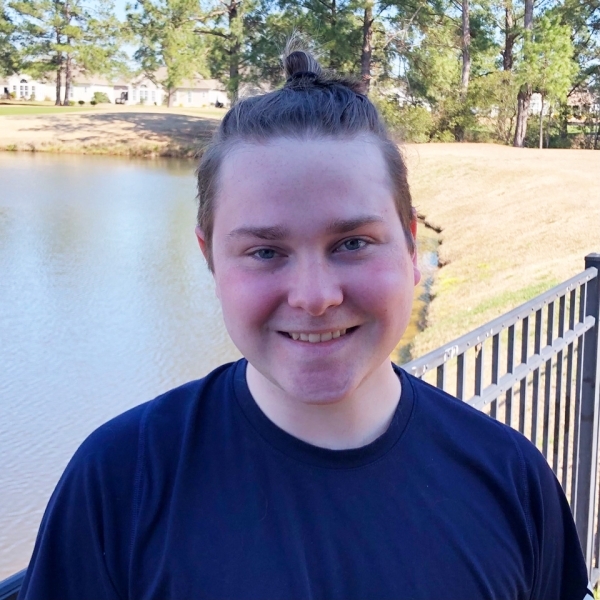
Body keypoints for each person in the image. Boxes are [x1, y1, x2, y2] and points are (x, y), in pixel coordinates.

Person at [19, 48, 593, 600]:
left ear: (412, 247)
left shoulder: (510, 479)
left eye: (352, 243)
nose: (316, 297)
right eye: (265, 252)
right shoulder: (121, 481)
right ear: (210, 257)